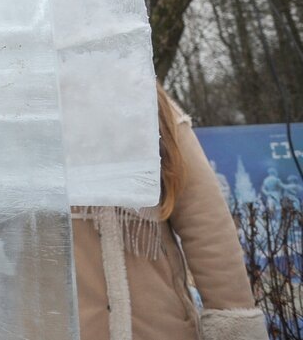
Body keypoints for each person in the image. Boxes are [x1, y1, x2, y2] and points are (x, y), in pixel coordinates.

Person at [71, 83, 268, 340]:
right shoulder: (14, 110)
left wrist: (234, 326)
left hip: (153, 326)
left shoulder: (146, 103)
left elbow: (206, 227)